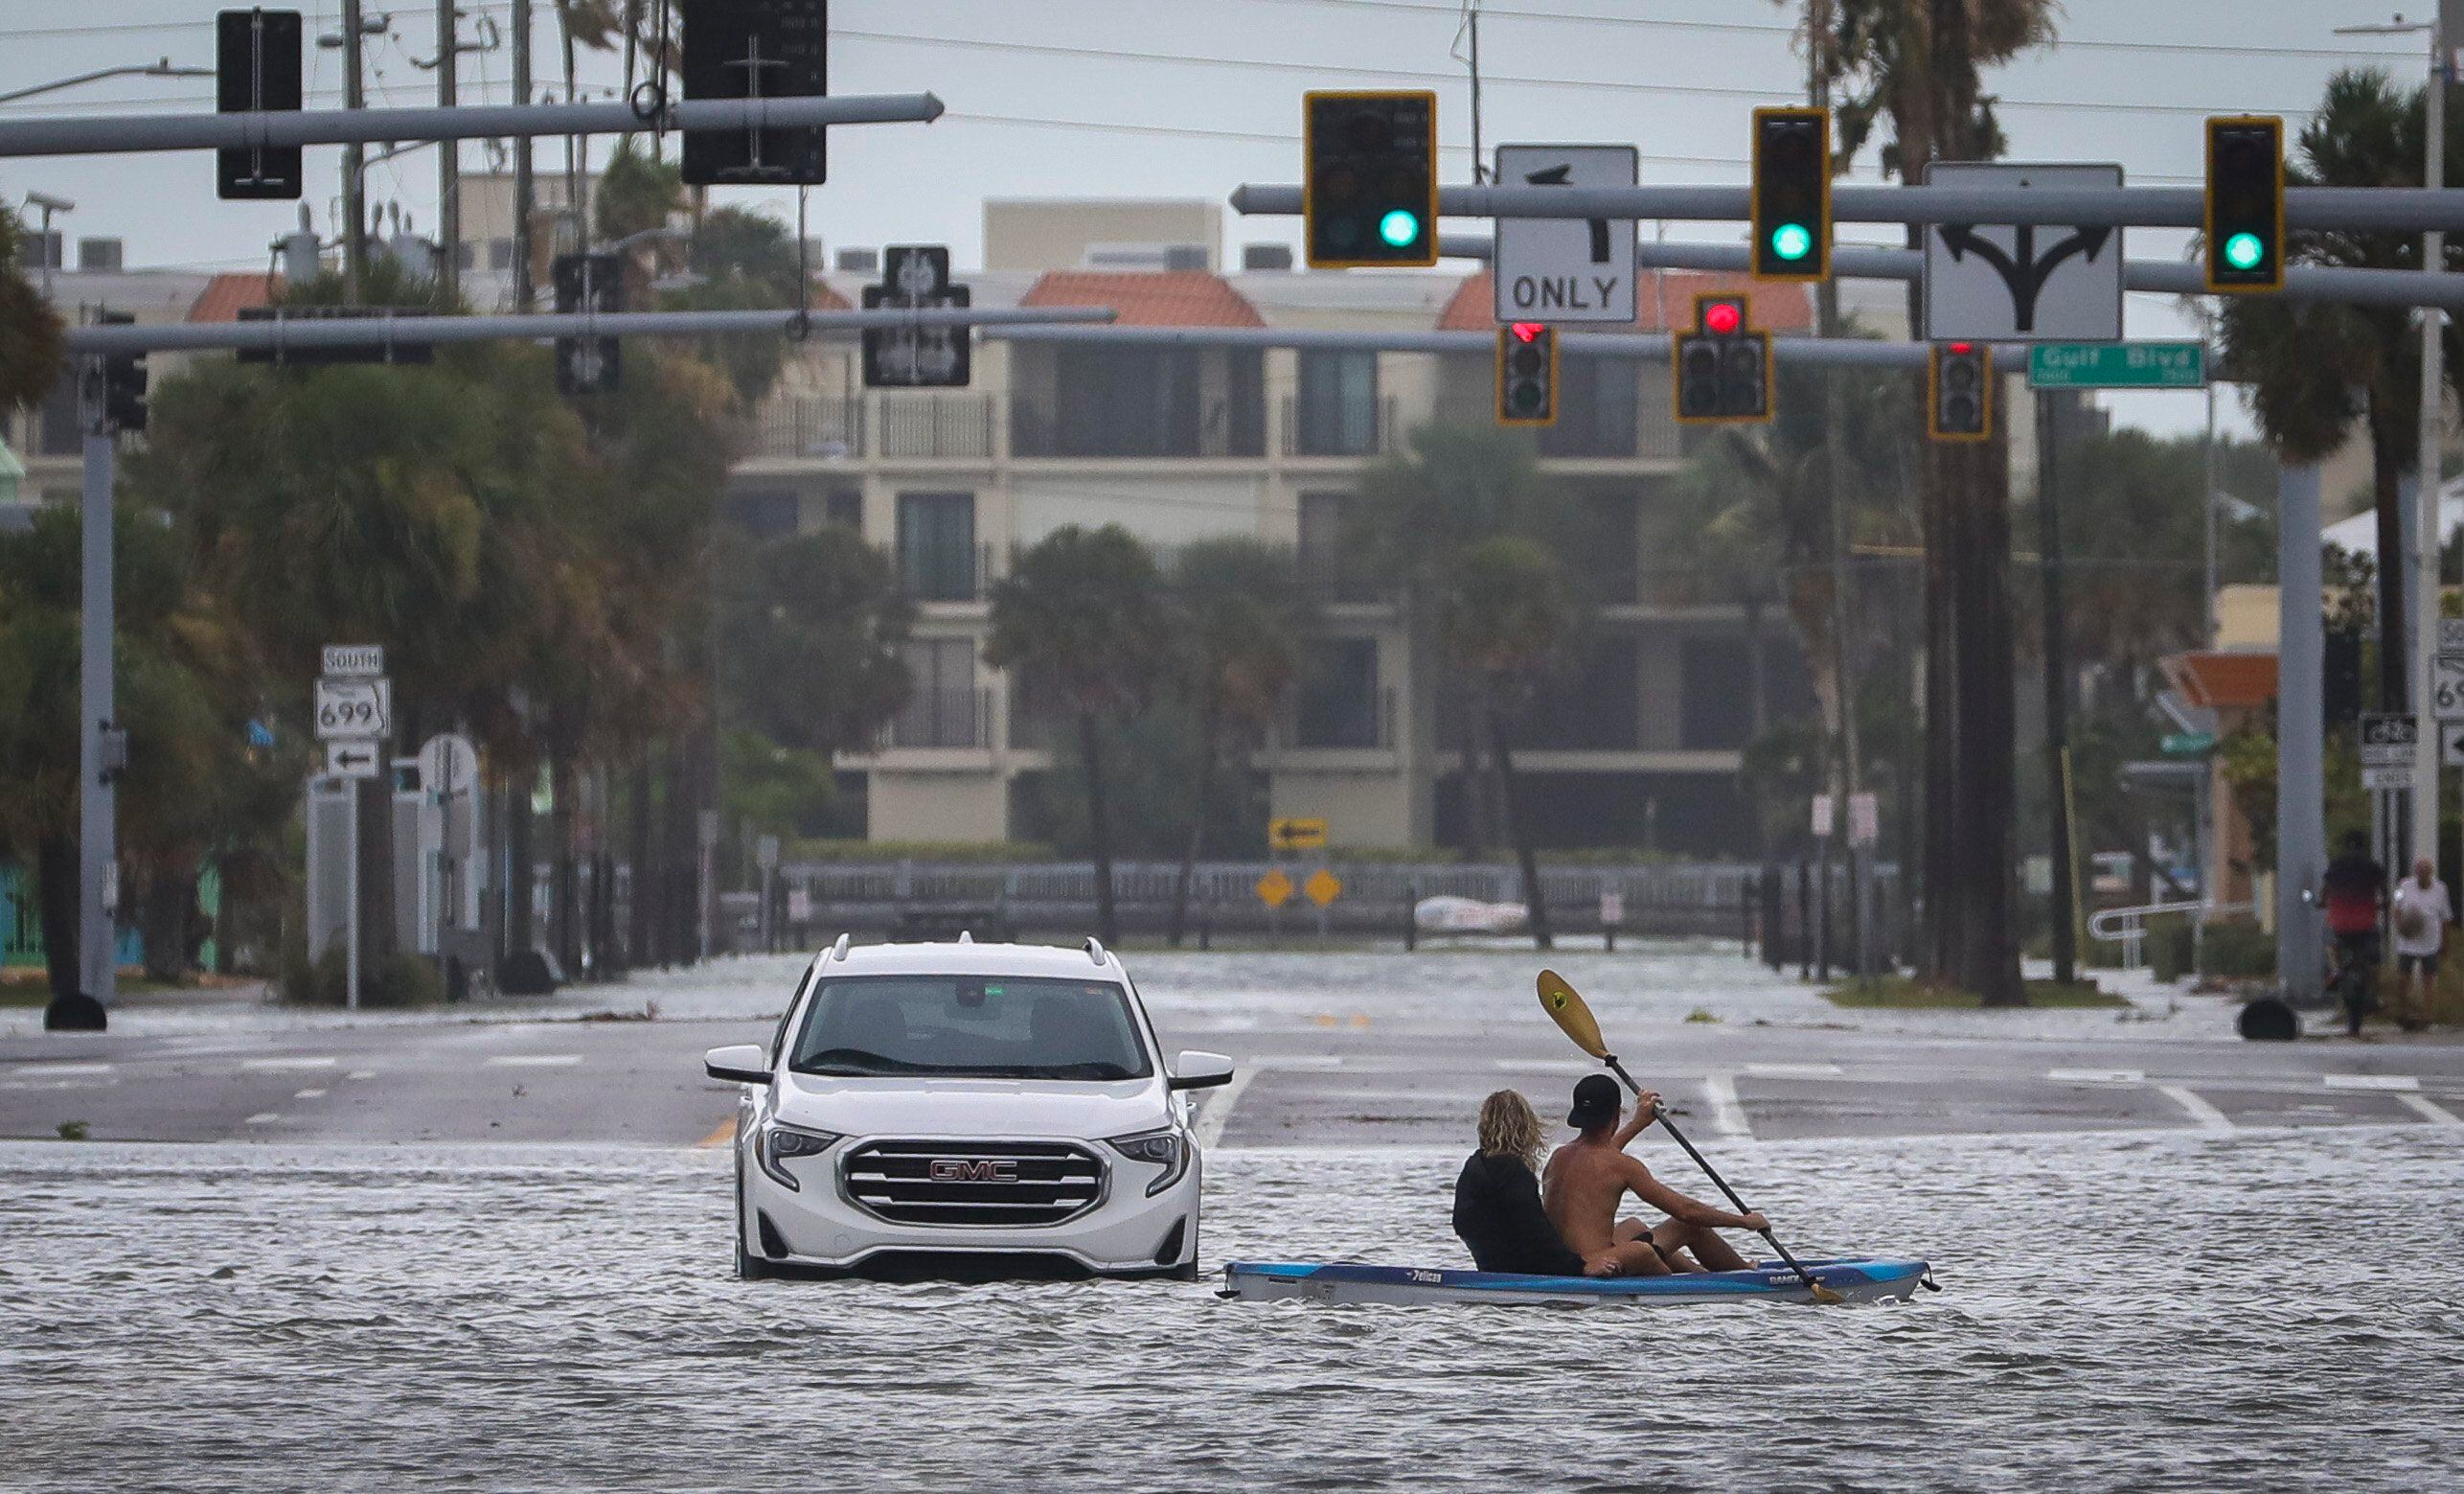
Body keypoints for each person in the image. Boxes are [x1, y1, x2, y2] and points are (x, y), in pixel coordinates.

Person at [1542, 1074, 1767, 1277]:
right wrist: (1743, 1222)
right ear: (1616, 1114)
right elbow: (1686, 1211)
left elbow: (1601, 1159)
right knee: (1688, 1227)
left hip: (1565, 1261)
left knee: (1633, 1227)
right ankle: (1740, 1276)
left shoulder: (1559, 1156)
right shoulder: (1622, 1165)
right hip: (1597, 1265)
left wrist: (1637, 1124)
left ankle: (1706, 1275)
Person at [1451, 1091, 1592, 1276]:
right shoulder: (1514, 1173)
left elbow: (1463, 1224)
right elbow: (1536, 1232)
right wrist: (1580, 1267)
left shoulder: (1473, 1167)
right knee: (1639, 1249)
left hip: (1491, 1267)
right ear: (1525, 1128)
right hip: (1530, 1270)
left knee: (1630, 1229)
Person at [2321, 829, 2388, 1035]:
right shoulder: (2373, 867)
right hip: (2365, 923)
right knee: (2375, 960)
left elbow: (2325, 891)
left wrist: (2322, 902)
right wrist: (2383, 903)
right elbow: (2384, 893)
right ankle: (2375, 995)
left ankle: (2335, 970)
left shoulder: (2336, 865)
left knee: (2329, 941)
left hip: (2340, 923)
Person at [2389, 855, 2450, 1033]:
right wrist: (2400, 925)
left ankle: (2427, 1015)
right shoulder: (2404, 886)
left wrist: (2446, 943)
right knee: (2403, 977)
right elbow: (2397, 907)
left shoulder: (2440, 889)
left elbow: (2445, 917)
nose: (2422, 874)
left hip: (2430, 941)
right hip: (2408, 941)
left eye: (2425, 871)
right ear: (2415, 872)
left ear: (2431, 873)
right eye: (2419, 870)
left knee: (2428, 978)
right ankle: (2403, 1011)